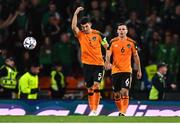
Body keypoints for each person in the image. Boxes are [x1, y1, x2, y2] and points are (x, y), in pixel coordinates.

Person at [71, 7, 109, 115]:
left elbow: (107, 48)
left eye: (86, 26)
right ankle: (92, 108)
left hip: (98, 64)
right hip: (87, 65)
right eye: (83, 27)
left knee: (96, 85)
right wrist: (75, 13)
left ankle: (95, 110)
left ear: (90, 24)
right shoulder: (81, 35)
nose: (85, 28)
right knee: (89, 88)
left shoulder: (98, 35)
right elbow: (74, 27)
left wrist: (107, 61)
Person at [105, 23, 142, 116]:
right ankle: (121, 110)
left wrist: (139, 70)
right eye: (120, 29)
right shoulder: (112, 42)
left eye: (123, 29)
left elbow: (136, 57)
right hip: (115, 71)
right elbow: (108, 53)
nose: (121, 31)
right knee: (117, 94)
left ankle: (123, 112)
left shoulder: (132, 43)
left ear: (126, 31)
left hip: (127, 71)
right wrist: (108, 62)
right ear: (117, 31)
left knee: (124, 92)